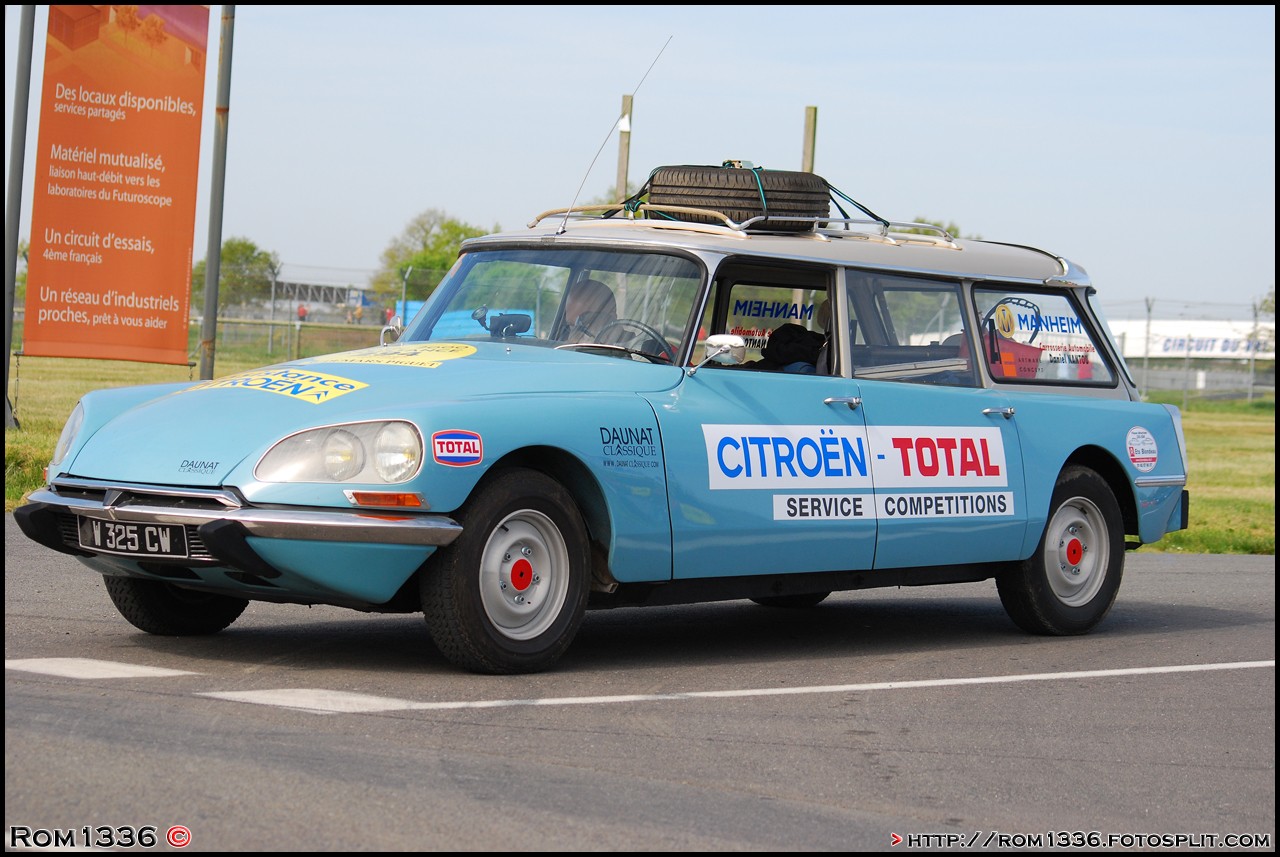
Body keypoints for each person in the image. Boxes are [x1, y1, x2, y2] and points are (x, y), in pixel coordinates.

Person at [560, 279, 617, 343]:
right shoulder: (561, 349)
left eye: (585, 326)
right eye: (571, 325)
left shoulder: (628, 350)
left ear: (611, 318)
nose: (574, 337)